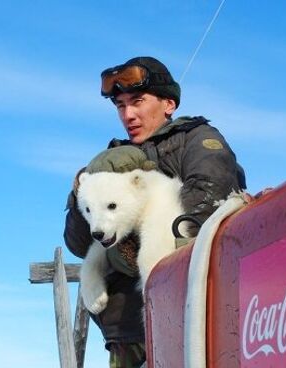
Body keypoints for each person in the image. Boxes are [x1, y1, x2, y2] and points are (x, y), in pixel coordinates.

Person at [63, 56, 246, 367]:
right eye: (120, 105)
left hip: (192, 313)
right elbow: (79, 244)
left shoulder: (197, 140)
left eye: (137, 101)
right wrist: (80, 192)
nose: (128, 114)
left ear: (168, 104)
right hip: (124, 331)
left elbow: (207, 203)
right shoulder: (111, 160)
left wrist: (131, 247)